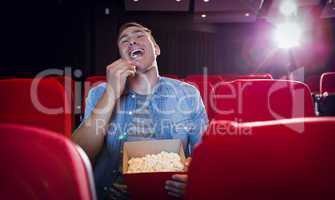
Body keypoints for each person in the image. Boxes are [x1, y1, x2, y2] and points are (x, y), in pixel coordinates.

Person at [72, 22, 208, 199]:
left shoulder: (188, 93)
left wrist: (193, 178)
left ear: (157, 49)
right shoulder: (99, 93)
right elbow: (79, 153)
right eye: (124, 41)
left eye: (139, 35)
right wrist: (112, 92)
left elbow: (205, 155)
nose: (132, 42)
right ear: (121, 56)